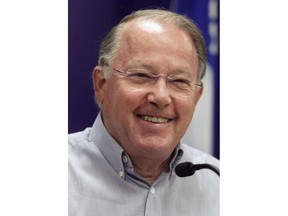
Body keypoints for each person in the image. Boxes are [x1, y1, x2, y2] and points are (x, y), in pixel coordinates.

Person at [69, 9, 219, 216]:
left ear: (196, 97)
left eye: (179, 81)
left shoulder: (217, 182)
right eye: (141, 75)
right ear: (102, 84)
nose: (160, 97)